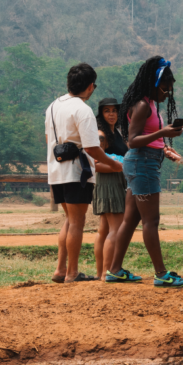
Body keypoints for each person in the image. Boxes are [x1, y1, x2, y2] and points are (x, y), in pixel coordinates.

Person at [106, 56, 183, 287]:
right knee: (151, 220)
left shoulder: (148, 103)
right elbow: (132, 140)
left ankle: (114, 270)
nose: (167, 93)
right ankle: (162, 274)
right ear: (154, 83)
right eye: (165, 88)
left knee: (130, 220)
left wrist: (164, 147)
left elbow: (145, 139)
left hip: (144, 162)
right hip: (142, 164)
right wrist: (162, 132)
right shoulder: (142, 104)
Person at [45, 63, 119, 283]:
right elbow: (91, 147)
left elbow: (49, 139)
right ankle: (72, 272)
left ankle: (60, 269)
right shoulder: (82, 109)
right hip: (76, 171)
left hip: (56, 170)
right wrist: (113, 164)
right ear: (90, 87)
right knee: (77, 222)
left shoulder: (53, 106)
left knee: (69, 220)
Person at [93, 98, 127, 279]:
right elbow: (95, 164)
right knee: (116, 228)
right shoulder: (101, 135)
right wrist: (118, 167)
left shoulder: (117, 133)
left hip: (115, 182)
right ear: (101, 114)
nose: (112, 114)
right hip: (109, 183)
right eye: (107, 111)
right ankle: (109, 272)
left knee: (104, 230)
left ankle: (101, 273)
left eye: (114, 110)